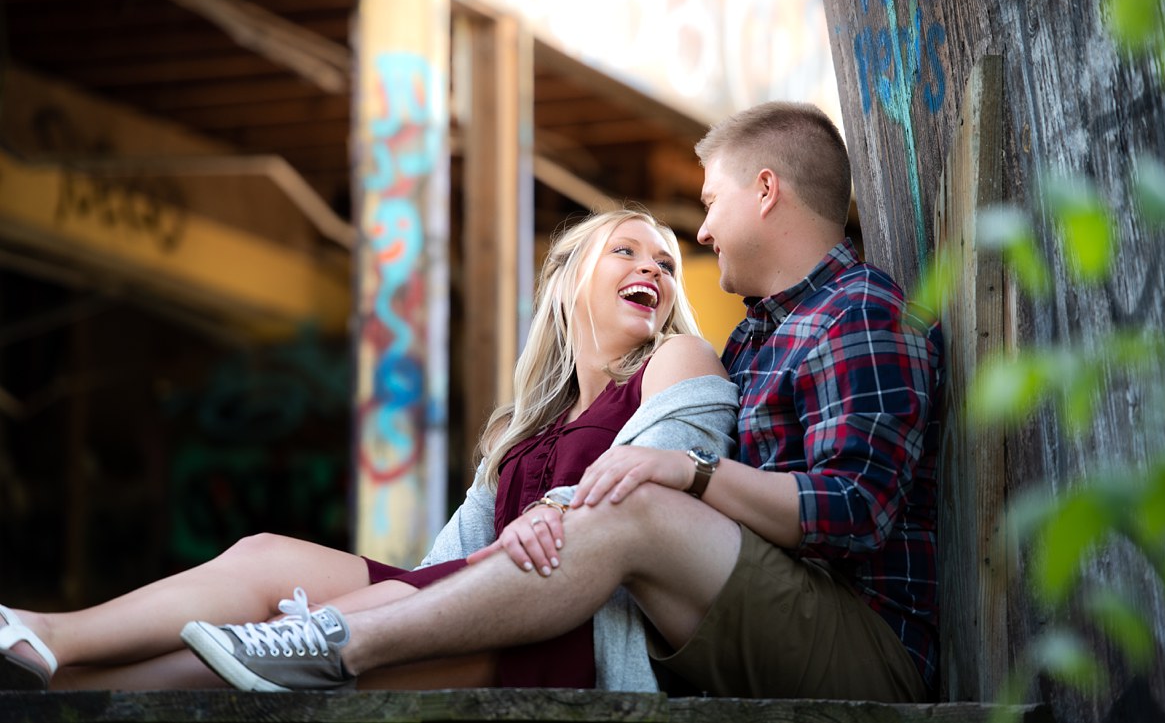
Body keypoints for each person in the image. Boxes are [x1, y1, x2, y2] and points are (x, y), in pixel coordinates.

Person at [182, 101, 944, 701]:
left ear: (767, 190)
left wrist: (689, 471)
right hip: (734, 623)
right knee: (277, 564)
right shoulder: (752, 339)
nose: (704, 230)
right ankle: (244, 645)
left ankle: (342, 644)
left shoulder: (860, 310)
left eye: (710, 203)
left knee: (635, 497)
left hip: (862, 648)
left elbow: (854, 509)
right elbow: (449, 560)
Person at [0, 209, 738, 692]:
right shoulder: (525, 426)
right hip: (472, 602)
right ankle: (48, 638)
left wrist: (559, 508)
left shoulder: (676, 361)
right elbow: (444, 567)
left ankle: (71, 692)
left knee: (275, 654)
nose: (654, 270)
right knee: (262, 556)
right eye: (628, 250)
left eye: (668, 264)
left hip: (565, 639)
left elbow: (658, 498)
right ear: (570, 278)